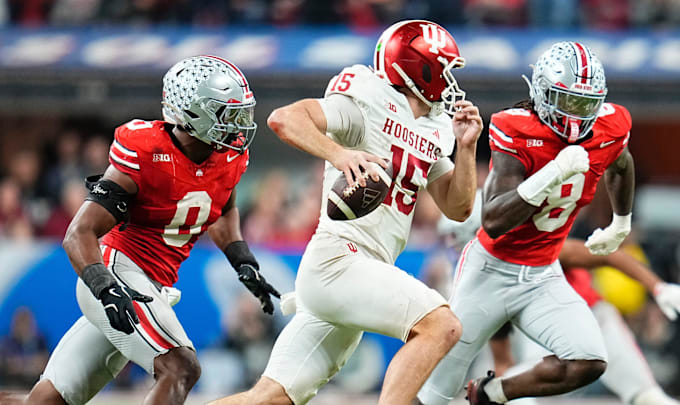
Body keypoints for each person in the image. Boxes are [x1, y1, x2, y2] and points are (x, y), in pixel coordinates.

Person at [209, 19, 483, 405]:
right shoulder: (369, 98)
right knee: (441, 326)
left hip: (363, 269)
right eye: (444, 68)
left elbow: (458, 206)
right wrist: (341, 154)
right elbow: (284, 118)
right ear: (417, 66)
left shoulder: (435, 125)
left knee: (269, 398)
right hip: (339, 261)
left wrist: (467, 149)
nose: (450, 80)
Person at [19, 55, 280, 405]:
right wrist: (107, 289)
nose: (238, 124)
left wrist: (241, 259)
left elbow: (221, 209)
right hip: (116, 272)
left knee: (44, 402)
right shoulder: (146, 152)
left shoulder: (228, 157)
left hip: (151, 285)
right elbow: (79, 233)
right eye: (226, 113)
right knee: (181, 366)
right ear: (192, 112)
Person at [418, 41, 636, 405]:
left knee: (589, 360)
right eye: (567, 101)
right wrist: (552, 172)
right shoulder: (515, 127)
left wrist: (621, 221)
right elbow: (493, 220)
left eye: (586, 103)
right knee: (432, 395)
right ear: (544, 94)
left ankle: (492, 393)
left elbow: (622, 163)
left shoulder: (611, 125)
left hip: (542, 274)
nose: (577, 113)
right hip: (489, 272)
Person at [436, 205, 680, 405]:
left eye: (454, 238)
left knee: (647, 396)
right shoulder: (479, 280)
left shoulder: (532, 248)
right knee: (508, 386)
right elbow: (503, 359)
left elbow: (608, 256)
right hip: (542, 339)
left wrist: (657, 287)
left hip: (592, 319)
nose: (453, 247)